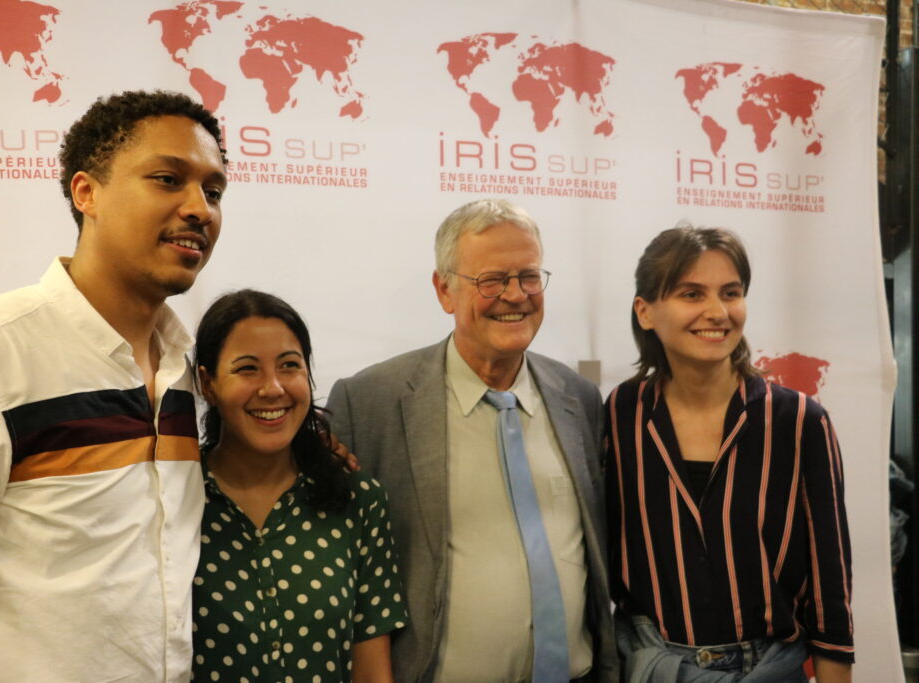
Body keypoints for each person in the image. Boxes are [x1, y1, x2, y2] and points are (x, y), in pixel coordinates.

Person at [0, 90, 228, 681]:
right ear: (86, 192)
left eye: (213, 190)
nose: (199, 208)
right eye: (167, 179)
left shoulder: (182, 372)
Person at [327, 199, 620, 682]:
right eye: (491, 280)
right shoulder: (370, 402)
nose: (515, 295)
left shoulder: (580, 399)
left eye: (528, 276)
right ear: (444, 290)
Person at [605, 225, 853, 682]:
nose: (717, 312)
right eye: (691, 294)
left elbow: (829, 589)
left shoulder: (799, 421)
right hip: (653, 666)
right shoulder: (621, 413)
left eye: (731, 292)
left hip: (771, 668)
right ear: (645, 311)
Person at [191, 289, 407, 682]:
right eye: (247, 369)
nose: (273, 387)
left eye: (289, 365)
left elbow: (372, 671)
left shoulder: (357, 500)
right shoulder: (174, 499)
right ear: (207, 384)